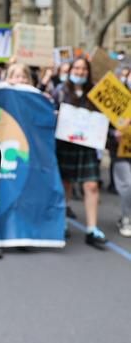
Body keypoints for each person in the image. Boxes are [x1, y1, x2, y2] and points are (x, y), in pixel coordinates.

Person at [52, 57, 107, 248]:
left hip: (88, 145)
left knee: (92, 185)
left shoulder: (96, 92)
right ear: (70, 70)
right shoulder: (60, 90)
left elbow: (107, 115)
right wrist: (56, 115)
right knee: (65, 183)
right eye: (76, 67)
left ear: (88, 71)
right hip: (65, 144)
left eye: (84, 68)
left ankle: (92, 229)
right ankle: (63, 223)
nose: (80, 71)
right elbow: (49, 110)